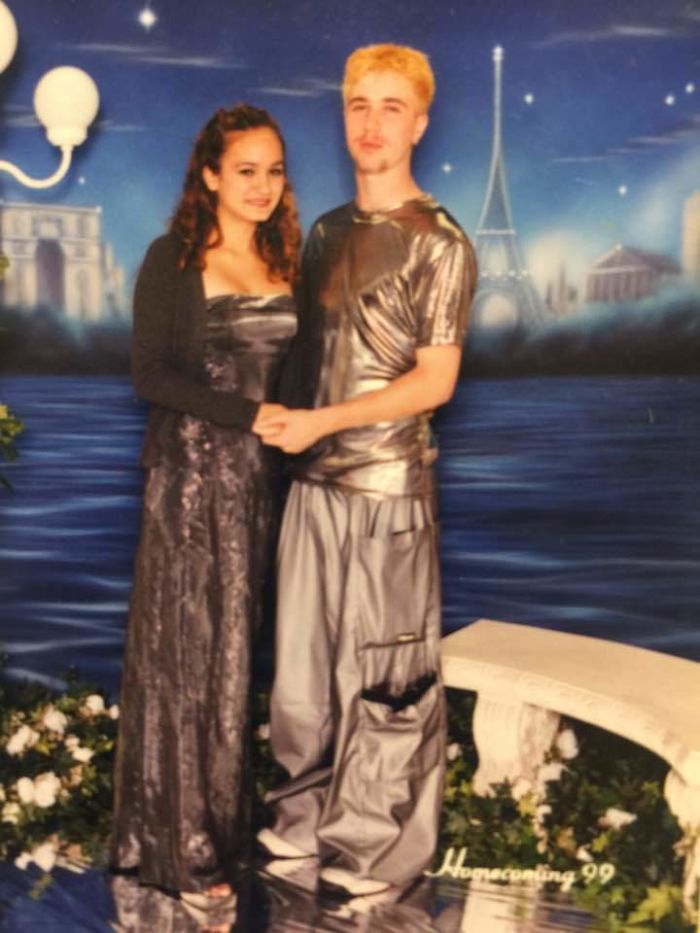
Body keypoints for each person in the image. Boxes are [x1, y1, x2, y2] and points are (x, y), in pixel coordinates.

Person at [255, 44, 477, 897]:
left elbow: (436, 380)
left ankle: (374, 850)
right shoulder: (323, 233)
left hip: (386, 491)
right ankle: (302, 823)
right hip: (311, 487)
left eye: (391, 107)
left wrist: (321, 422)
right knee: (302, 676)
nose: (372, 123)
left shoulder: (440, 242)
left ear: (419, 123)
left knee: (387, 677)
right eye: (359, 105)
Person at [111, 104, 300, 922]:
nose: (262, 186)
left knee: (231, 658)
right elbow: (149, 376)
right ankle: (180, 848)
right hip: (189, 482)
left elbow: (302, 378)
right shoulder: (174, 257)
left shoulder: (286, 258)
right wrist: (248, 415)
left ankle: (216, 834)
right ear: (212, 176)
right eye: (245, 170)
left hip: (259, 487)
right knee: (186, 658)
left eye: (274, 170)